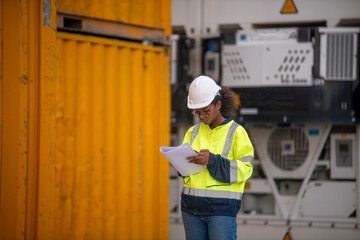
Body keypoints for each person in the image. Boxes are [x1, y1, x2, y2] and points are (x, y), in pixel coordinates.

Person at [181, 75, 254, 240]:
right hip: (190, 209)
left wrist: (212, 161)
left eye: (205, 111)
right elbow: (185, 171)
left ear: (218, 104)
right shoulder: (192, 133)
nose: (201, 117)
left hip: (221, 210)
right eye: (197, 112)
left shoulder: (237, 132)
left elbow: (246, 169)